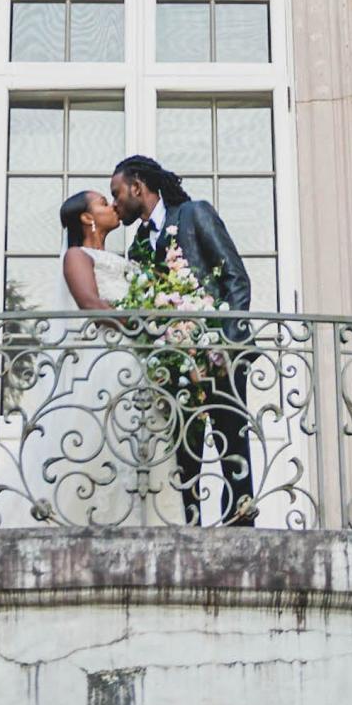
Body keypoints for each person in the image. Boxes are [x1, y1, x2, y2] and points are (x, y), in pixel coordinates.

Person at [110, 155, 257, 527]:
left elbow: (237, 280)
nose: (115, 203)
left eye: (117, 193)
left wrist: (224, 345)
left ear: (137, 186)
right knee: (183, 452)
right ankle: (189, 529)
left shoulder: (193, 214)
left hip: (218, 356)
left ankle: (242, 530)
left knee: (232, 447)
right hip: (172, 363)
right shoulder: (138, 245)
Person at [28, 190, 182, 526]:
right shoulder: (76, 256)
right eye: (102, 202)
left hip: (135, 364)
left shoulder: (123, 260)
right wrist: (148, 322)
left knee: (139, 444)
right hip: (103, 365)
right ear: (86, 218)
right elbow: (91, 304)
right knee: (96, 442)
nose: (112, 206)